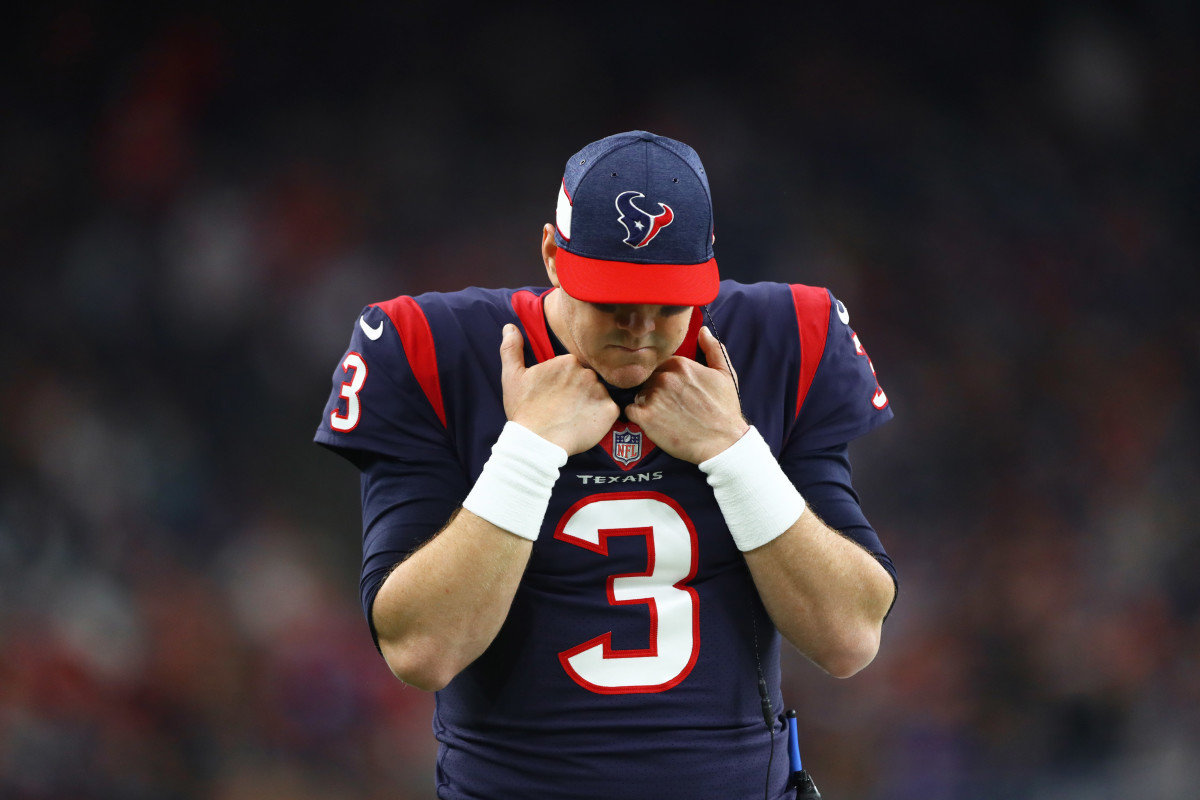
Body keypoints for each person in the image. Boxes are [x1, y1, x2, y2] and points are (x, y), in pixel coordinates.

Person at [314, 130, 896, 799]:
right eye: (614, 300)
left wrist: (734, 452)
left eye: (669, 302)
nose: (641, 326)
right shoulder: (429, 348)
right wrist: (527, 453)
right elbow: (421, 651)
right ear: (553, 256)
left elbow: (850, 637)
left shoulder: (787, 335)